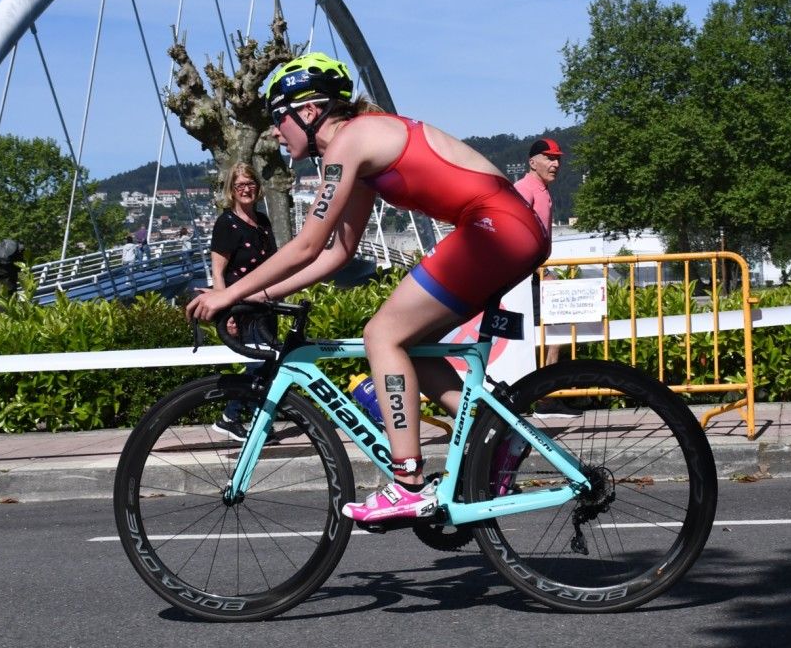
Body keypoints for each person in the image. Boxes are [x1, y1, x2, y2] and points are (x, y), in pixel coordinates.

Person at [186, 52, 549, 522]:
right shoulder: (359, 150)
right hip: (508, 228)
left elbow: (306, 244)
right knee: (414, 345)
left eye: (279, 118)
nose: (276, 132)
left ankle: (407, 483)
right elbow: (336, 253)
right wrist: (260, 295)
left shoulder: (350, 142)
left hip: (494, 227)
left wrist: (228, 294)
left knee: (382, 335)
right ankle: (501, 435)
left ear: (309, 111)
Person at [208, 163, 278, 441]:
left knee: (269, 363)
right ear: (232, 191)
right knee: (258, 363)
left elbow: (273, 262)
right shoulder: (226, 223)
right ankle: (230, 416)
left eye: (250, 184)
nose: (246, 190)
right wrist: (227, 314)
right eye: (240, 186)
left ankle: (256, 422)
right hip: (241, 305)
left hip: (265, 303)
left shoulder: (263, 222)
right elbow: (217, 271)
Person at [514, 137, 563, 365]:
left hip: (533, 275)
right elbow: (517, 236)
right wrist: (540, 272)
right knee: (543, 333)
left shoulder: (541, 189)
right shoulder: (524, 189)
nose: (555, 164)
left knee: (556, 330)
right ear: (533, 163)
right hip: (524, 278)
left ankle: (544, 393)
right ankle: (539, 395)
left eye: (557, 159)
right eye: (549, 158)